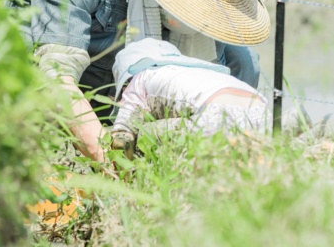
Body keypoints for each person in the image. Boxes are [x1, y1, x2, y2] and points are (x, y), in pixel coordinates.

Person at [17, 0, 271, 162]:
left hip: (126, 102)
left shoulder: (233, 54)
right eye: (198, 4)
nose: (202, 17)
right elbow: (56, 79)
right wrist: (108, 162)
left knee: (242, 58)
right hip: (35, 87)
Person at [110, 38, 270, 158]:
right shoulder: (192, 72)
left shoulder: (140, 80)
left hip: (215, 115)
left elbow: (122, 136)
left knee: (144, 135)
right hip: (261, 111)